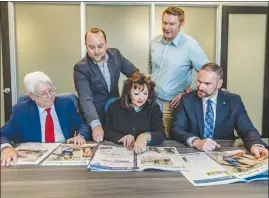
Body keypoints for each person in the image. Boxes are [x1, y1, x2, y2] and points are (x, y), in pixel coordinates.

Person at [171, 63, 268, 158]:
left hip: (223, 153)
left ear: (219, 84)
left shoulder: (233, 101)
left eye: (207, 83)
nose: (201, 87)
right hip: (194, 154)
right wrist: (195, 141)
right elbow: (176, 128)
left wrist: (256, 145)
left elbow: (247, 130)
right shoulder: (187, 100)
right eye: (199, 81)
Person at [0, 71, 89, 167]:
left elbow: (82, 125)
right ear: (32, 96)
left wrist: (80, 136)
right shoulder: (21, 111)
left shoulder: (66, 104)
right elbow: (3, 134)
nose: (49, 96)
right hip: (34, 165)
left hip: (64, 158)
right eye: (43, 93)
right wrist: (6, 148)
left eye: (51, 90)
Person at [149, 6, 209, 138]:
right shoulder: (155, 42)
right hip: (152, 100)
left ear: (181, 25)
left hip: (173, 105)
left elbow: (207, 73)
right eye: (164, 23)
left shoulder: (191, 46)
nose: (167, 27)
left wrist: (188, 91)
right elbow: (152, 69)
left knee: (169, 141)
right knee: (152, 140)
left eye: (172, 24)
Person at [74, 27, 138, 143]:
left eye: (100, 46)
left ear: (106, 44)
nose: (96, 51)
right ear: (86, 45)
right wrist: (95, 125)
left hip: (116, 115)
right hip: (95, 116)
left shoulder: (116, 55)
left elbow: (135, 74)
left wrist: (136, 93)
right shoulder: (81, 68)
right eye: (91, 47)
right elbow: (85, 99)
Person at [104, 72, 165, 154]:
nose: (141, 98)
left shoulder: (154, 108)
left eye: (145, 93)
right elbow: (107, 131)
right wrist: (121, 138)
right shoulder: (114, 107)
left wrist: (145, 136)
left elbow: (161, 134)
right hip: (121, 152)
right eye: (136, 94)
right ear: (129, 92)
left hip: (144, 153)